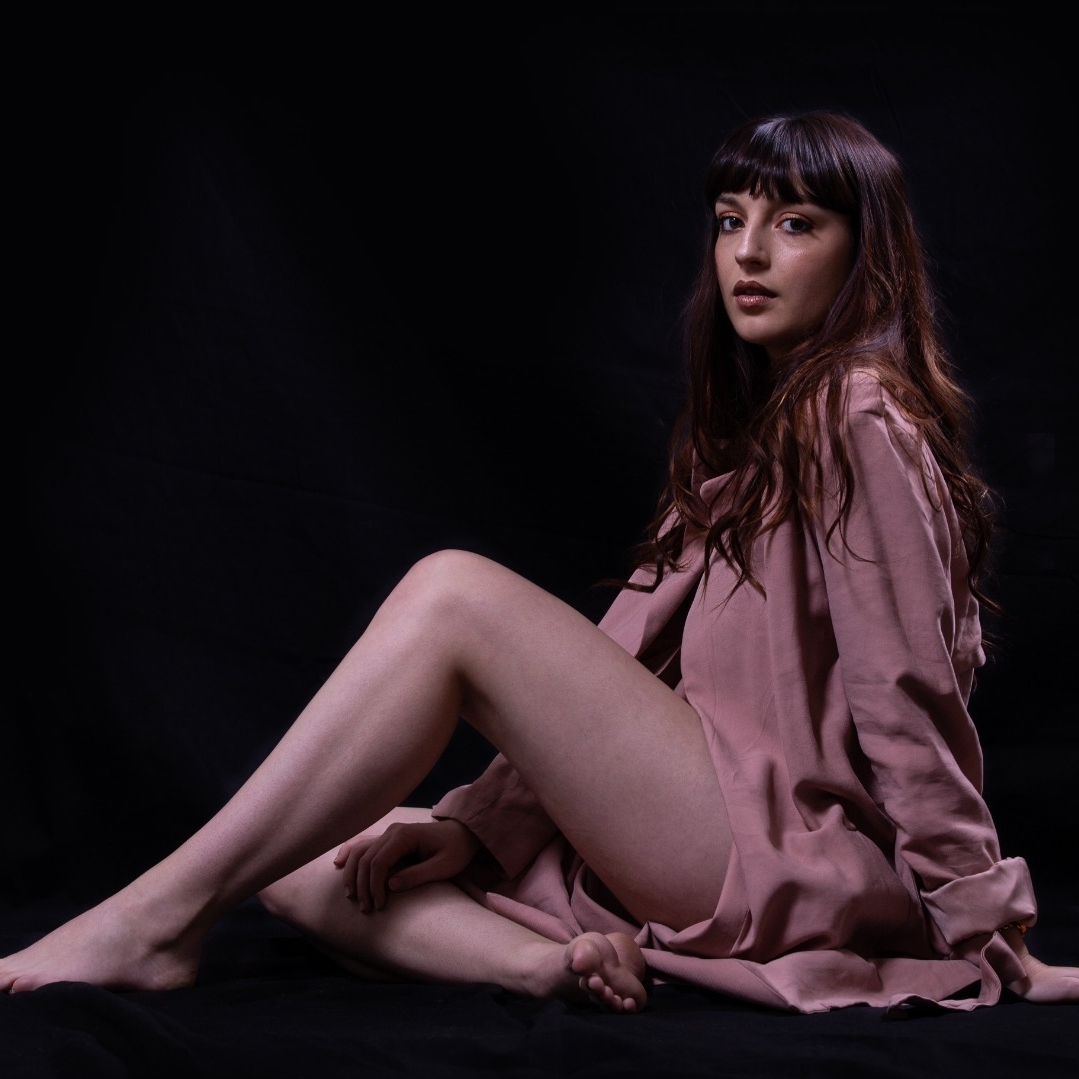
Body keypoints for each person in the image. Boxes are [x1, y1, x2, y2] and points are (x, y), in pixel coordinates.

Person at [2, 110, 1075, 1016]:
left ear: (861, 253)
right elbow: (625, 669)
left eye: (793, 224)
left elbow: (904, 692)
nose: (747, 253)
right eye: (728, 220)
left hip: (788, 847)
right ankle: (538, 966)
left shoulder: (855, 410)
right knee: (305, 846)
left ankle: (151, 922)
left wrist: (986, 927)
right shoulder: (753, 437)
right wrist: (478, 831)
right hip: (700, 817)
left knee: (453, 593)